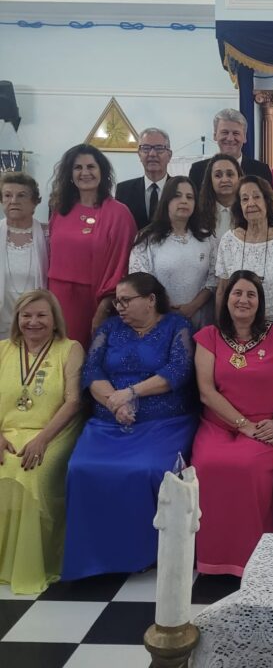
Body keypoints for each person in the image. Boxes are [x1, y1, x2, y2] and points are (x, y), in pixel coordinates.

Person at [62, 273, 197, 579]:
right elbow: (92, 370)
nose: (119, 307)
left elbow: (178, 371)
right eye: (117, 301)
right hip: (108, 423)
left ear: (150, 300)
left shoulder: (177, 326)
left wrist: (132, 392)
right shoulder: (109, 328)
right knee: (81, 468)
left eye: (126, 300)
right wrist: (115, 402)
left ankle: (143, 554)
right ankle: (93, 556)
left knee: (146, 470)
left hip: (163, 422)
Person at [192, 271, 273, 575]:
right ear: (226, 299)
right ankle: (213, 558)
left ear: (260, 302)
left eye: (251, 294)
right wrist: (241, 424)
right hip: (219, 426)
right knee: (207, 465)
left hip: (267, 427)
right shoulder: (209, 336)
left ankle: (253, 557)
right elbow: (206, 392)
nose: (243, 300)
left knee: (247, 467)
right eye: (237, 293)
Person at [0, 291, 84, 594]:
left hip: (53, 432)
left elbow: (73, 401)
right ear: (17, 319)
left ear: (54, 319)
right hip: (7, 432)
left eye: (41, 315)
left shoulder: (70, 349)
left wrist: (42, 440)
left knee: (29, 473)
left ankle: (37, 563)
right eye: (26, 315)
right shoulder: (3, 349)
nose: (33, 322)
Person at [48, 144, 137, 348]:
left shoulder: (119, 214)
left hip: (94, 301)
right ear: (70, 174)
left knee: (88, 355)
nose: (85, 172)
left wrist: (104, 307)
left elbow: (123, 266)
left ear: (101, 171)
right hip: (57, 297)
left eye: (91, 166)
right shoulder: (60, 210)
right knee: (57, 355)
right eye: (78, 167)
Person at [129, 176, 216, 330]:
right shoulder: (147, 238)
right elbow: (140, 280)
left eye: (189, 197)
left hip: (201, 319)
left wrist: (193, 306)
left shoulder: (207, 237)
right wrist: (166, 306)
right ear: (166, 200)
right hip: (158, 318)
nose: (184, 201)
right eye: (177, 196)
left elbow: (214, 278)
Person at [216, 176, 273, 331]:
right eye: (244, 199)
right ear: (239, 206)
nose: (251, 203)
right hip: (238, 328)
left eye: (256, 197)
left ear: (267, 201)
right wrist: (222, 330)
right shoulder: (228, 241)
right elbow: (222, 289)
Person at [0, 172, 48, 340]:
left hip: (36, 324)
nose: (13, 201)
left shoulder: (49, 235)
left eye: (21, 195)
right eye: (7, 195)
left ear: (34, 202)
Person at [189, 108, 272, 191]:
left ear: (244, 137)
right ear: (215, 135)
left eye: (236, 133)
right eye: (225, 132)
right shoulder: (198, 170)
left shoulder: (261, 171)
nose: (230, 138)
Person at [115, 127, 173, 230]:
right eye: (146, 148)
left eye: (159, 148)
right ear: (139, 154)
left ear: (169, 155)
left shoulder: (179, 189)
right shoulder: (123, 190)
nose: (152, 154)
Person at [197, 154, 244, 240]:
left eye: (230, 174)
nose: (224, 180)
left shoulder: (249, 211)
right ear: (210, 180)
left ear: (239, 178)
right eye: (218, 175)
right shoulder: (198, 213)